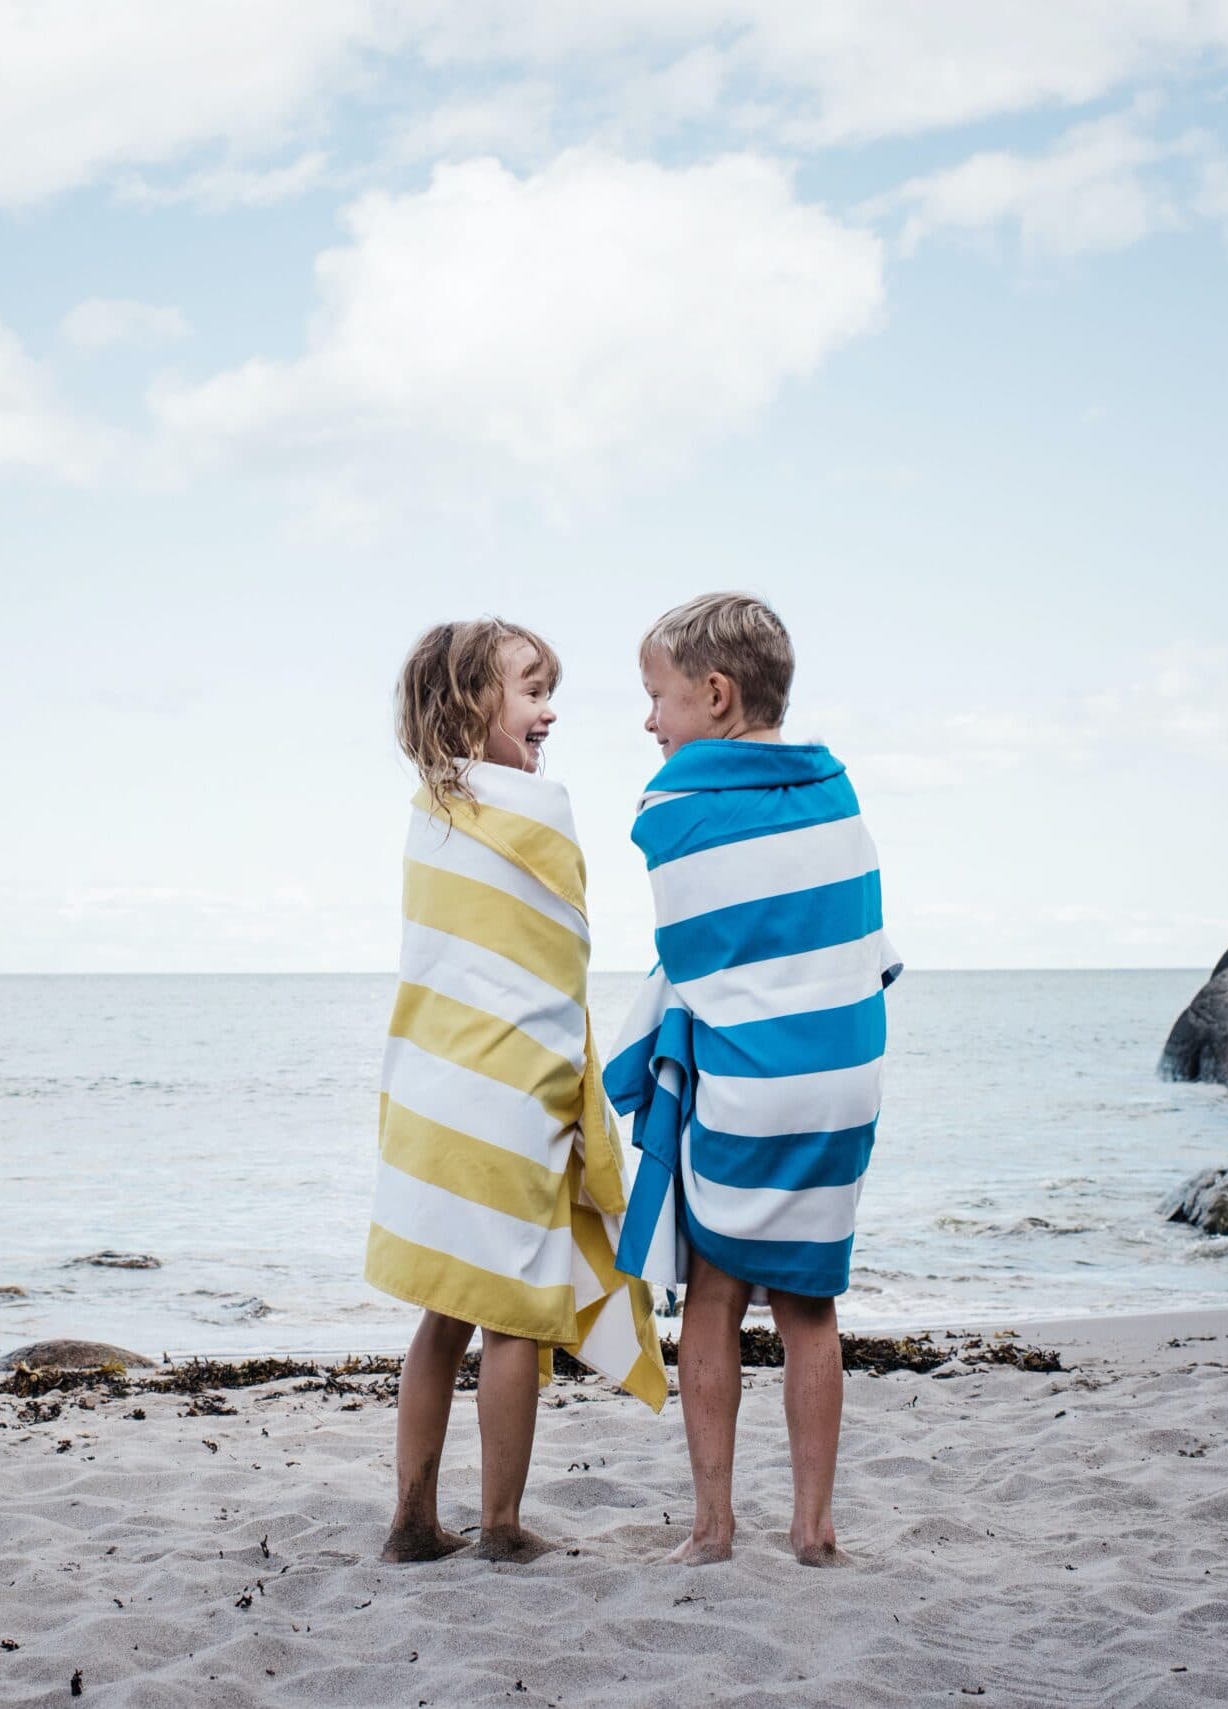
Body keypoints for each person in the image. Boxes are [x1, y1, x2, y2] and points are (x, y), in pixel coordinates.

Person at [606, 592, 900, 1567]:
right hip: (839, 1078)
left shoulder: (677, 806)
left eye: (659, 697)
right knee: (810, 1305)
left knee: (716, 1297)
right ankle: (815, 1530)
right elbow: (859, 939)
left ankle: (711, 1525)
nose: (650, 721)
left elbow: (694, 953)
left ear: (717, 697)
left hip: (750, 1084)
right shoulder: (836, 792)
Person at [368, 617, 666, 1564]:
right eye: (532, 691)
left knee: (441, 1309)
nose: (549, 711)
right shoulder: (540, 811)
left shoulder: (429, 811)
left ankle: (412, 1519)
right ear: (470, 704)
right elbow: (555, 964)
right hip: (507, 1096)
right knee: (510, 1314)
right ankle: (498, 1525)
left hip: (428, 1092)